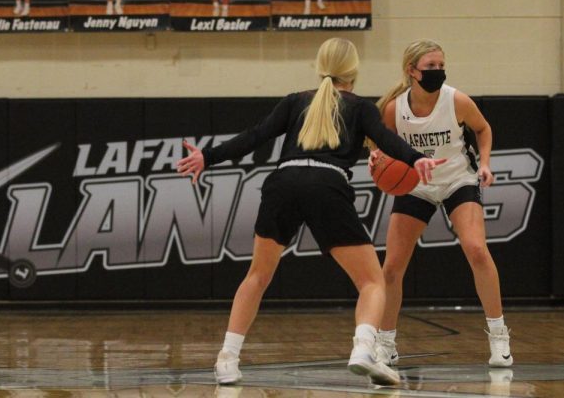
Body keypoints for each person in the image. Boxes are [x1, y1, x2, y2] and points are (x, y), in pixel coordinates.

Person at [175, 37, 446, 386]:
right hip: (326, 186)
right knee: (371, 281)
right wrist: (416, 158)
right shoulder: (360, 107)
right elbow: (385, 138)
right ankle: (363, 347)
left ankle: (227, 359)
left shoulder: (295, 101)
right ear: (354, 70)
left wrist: (207, 156)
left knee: (257, 276)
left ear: (321, 67)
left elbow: (255, 136)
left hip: (283, 183)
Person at [369, 39, 512, 368]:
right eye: (430, 66)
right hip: (416, 183)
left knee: (476, 249)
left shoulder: (456, 100)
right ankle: (386, 343)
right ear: (411, 71)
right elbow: (381, 143)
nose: (438, 71)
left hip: (457, 179)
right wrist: (376, 156)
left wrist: (486, 163)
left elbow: (483, 128)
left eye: (441, 65)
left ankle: (499, 336)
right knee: (391, 268)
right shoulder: (395, 108)